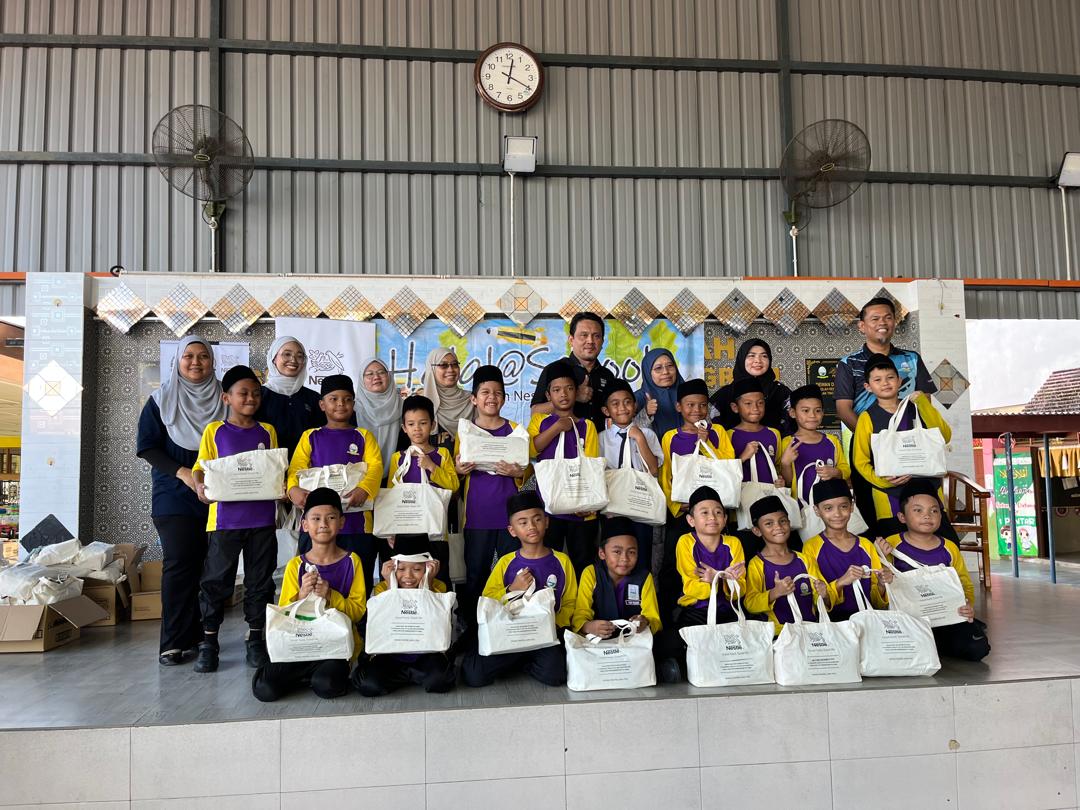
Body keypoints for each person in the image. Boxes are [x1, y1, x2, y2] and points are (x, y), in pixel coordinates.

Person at [136, 336, 223, 667]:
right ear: (178, 361)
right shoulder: (160, 400)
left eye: (203, 356)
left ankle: (198, 635)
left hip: (217, 495)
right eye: (189, 356)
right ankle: (172, 642)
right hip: (174, 494)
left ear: (212, 361)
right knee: (179, 562)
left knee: (207, 567)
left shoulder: (224, 399)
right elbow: (147, 446)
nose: (196, 362)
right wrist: (184, 473)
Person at [191, 365, 281, 674]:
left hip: (262, 520)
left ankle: (255, 639)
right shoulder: (214, 431)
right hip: (224, 521)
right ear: (226, 397)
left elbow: (273, 470)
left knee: (260, 582)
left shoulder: (267, 431)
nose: (251, 398)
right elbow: (200, 467)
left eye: (256, 393)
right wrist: (200, 486)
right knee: (215, 581)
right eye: (243, 393)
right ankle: (208, 642)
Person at [251, 488, 365, 702]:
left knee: (327, 685)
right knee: (264, 688)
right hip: (298, 644)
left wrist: (330, 595)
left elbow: (357, 612)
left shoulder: (352, 561)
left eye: (331, 518)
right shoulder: (296, 565)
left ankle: (311, 677)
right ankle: (306, 675)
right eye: (316, 518)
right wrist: (301, 595)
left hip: (333, 647)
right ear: (305, 525)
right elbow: (283, 614)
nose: (323, 524)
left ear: (341, 522)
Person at [835, 297, 937, 527]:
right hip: (869, 447)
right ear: (862, 326)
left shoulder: (911, 359)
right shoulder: (849, 363)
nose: (882, 323)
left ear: (894, 322)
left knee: (920, 508)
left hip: (912, 446)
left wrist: (907, 441)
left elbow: (925, 403)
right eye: (875, 319)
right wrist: (874, 439)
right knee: (874, 515)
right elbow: (843, 409)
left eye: (887, 317)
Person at [462, 491, 578, 688]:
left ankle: (521, 662)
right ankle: (516, 659)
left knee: (556, 675)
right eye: (523, 522)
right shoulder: (505, 562)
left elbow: (569, 602)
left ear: (546, 522)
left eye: (537, 519)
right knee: (474, 675)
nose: (531, 526)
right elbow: (488, 599)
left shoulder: (562, 561)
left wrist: (552, 625)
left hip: (544, 636)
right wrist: (511, 589)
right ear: (512, 530)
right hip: (509, 632)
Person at [286, 374, 384, 594]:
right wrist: (293, 489)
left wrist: (364, 489)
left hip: (357, 524)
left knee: (358, 581)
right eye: (334, 399)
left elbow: (376, 466)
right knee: (313, 582)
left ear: (354, 404)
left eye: (347, 399)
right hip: (316, 526)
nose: (341, 404)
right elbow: (295, 469)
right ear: (322, 405)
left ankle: (358, 617)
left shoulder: (363, 436)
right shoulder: (310, 436)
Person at [876, 479, 990, 661]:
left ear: (940, 516)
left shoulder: (949, 547)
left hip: (944, 618)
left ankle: (935, 644)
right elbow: (880, 589)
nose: (927, 516)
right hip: (909, 620)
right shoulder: (890, 545)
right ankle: (932, 644)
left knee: (978, 648)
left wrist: (967, 604)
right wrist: (882, 563)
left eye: (934, 511)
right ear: (902, 517)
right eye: (918, 510)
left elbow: (964, 583)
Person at [454, 365, 529, 635]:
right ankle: (474, 631)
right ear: (474, 399)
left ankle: (509, 628)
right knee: (475, 574)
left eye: (497, 393)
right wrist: (458, 470)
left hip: (510, 518)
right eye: (485, 392)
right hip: (477, 516)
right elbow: (454, 475)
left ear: (505, 399)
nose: (491, 397)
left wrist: (519, 473)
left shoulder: (516, 431)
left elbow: (527, 473)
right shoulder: (465, 432)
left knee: (512, 572)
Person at [851, 354, 956, 541]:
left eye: (890, 377)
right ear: (868, 386)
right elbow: (860, 461)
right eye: (877, 380)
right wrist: (883, 481)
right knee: (895, 546)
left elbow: (944, 436)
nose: (885, 383)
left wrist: (923, 403)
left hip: (928, 489)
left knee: (945, 543)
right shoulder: (867, 418)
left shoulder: (916, 408)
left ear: (899, 380)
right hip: (889, 495)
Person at [658, 379, 736, 622]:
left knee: (716, 557)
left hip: (713, 515)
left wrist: (707, 442)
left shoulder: (718, 432)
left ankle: (722, 606)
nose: (697, 410)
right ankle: (676, 612)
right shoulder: (670, 437)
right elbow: (666, 476)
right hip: (683, 513)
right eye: (690, 405)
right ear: (679, 407)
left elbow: (729, 466)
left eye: (702, 405)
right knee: (674, 563)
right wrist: (676, 506)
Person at [654, 486, 746, 681]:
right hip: (696, 612)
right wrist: (723, 579)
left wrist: (715, 579)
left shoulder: (733, 543)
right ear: (691, 520)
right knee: (664, 644)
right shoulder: (685, 542)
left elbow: (741, 589)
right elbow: (691, 586)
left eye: (718, 512)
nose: (712, 517)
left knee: (740, 644)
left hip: (728, 612)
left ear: (725, 519)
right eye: (704, 512)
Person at [352, 535, 457, 696]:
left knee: (440, 680)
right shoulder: (382, 588)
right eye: (401, 569)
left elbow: (436, 621)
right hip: (390, 655)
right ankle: (410, 676)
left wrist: (428, 582)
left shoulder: (438, 586)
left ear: (427, 568)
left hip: (425, 654)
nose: (408, 576)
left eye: (417, 569)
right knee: (368, 684)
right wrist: (390, 585)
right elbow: (381, 623)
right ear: (393, 568)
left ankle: (409, 676)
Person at [527, 361, 601, 576]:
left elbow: (592, 468)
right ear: (548, 395)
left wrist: (587, 504)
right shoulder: (539, 421)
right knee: (549, 563)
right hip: (548, 507)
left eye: (569, 388)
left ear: (577, 392)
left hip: (581, 510)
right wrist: (557, 427)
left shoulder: (587, 426)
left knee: (583, 564)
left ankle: (582, 599)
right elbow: (530, 450)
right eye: (557, 390)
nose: (563, 394)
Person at [385, 395, 459, 587]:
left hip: (435, 530)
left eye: (423, 423)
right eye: (411, 424)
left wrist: (432, 467)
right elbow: (392, 497)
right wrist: (391, 530)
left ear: (433, 425)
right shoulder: (397, 458)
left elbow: (453, 486)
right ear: (404, 428)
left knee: (438, 576)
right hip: (406, 531)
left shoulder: (442, 454)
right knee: (406, 580)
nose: (417, 428)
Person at [800, 478, 890, 622]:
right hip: (834, 625)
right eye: (828, 508)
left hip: (869, 622)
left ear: (852, 506)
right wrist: (841, 581)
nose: (837, 514)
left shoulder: (866, 545)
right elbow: (819, 600)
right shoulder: (811, 547)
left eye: (843, 506)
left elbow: (877, 603)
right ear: (817, 510)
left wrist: (881, 584)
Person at [744, 496, 834, 635]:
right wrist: (775, 592)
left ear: (789, 523)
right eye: (769, 523)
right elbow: (750, 604)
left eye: (782, 521)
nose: (778, 527)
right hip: (779, 635)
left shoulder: (805, 559)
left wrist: (825, 595)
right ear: (757, 531)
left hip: (812, 631)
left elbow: (821, 598)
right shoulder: (756, 564)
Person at [599, 378, 661, 568]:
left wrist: (640, 438)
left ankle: (642, 586)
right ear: (606, 411)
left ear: (635, 406)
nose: (622, 408)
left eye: (627, 402)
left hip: (641, 508)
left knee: (641, 555)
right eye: (615, 404)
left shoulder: (647, 434)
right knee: (615, 557)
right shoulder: (601, 438)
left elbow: (654, 470)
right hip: (612, 509)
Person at [531, 312, 616, 434]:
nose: (590, 341)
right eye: (584, 335)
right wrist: (574, 396)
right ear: (571, 340)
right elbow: (535, 412)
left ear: (602, 342)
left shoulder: (607, 375)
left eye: (596, 336)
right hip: (563, 442)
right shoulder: (554, 369)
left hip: (598, 443)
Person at [778, 384, 851, 505]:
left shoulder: (832, 441)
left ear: (823, 412)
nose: (812, 415)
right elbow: (787, 482)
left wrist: (836, 472)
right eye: (805, 410)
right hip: (799, 507)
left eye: (817, 410)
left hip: (829, 507)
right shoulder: (787, 443)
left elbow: (845, 469)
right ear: (792, 413)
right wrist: (785, 464)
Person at [255, 336, 325, 456]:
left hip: (306, 464)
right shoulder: (258, 395)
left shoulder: (313, 398)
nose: (293, 360)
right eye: (287, 354)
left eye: (299, 356)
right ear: (274, 358)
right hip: (268, 463)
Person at [710, 338, 792, 434]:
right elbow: (714, 430)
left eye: (764, 356)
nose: (758, 360)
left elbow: (793, 425)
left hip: (777, 443)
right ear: (742, 359)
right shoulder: (725, 394)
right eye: (751, 356)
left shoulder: (781, 392)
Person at [726, 377, 785, 486]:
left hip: (769, 493)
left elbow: (777, 466)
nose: (755, 408)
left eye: (760, 403)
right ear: (735, 407)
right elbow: (725, 473)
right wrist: (743, 457)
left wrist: (781, 480)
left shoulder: (774, 434)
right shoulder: (728, 436)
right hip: (741, 494)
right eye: (748, 403)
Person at [354, 356, 402, 475]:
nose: (376, 377)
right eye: (369, 374)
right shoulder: (353, 409)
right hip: (360, 476)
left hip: (397, 474)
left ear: (389, 376)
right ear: (362, 380)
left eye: (381, 372)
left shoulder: (403, 406)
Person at [421, 347, 475, 446]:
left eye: (455, 364)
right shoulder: (422, 403)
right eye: (443, 365)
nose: (450, 369)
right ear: (432, 369)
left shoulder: (472, 400)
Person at [634, 347, 685, 439]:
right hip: (652, 447)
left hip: (689, 446)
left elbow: (707, 423)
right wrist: (646, 413)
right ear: (648, 372)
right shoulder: (636, 398)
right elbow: (628, 431)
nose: (665, 372)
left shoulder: (689, 392)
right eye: (658, 368)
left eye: (670, 366)